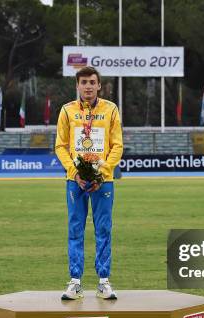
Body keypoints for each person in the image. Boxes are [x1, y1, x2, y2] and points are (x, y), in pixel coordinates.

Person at [55, 66, 124, 300]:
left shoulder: (111, 110)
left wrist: (100, 173)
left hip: (103, 181)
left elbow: (117, 146)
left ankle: (103, 281)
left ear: (99, 85)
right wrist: (75, 172)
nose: (87, 86)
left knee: (103, 229)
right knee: (75, 229)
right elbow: (60, 146)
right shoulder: (67, 111)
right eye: (83, 82)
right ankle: (75, 282)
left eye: (92, 82)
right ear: (77, 85)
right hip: (75, 180)